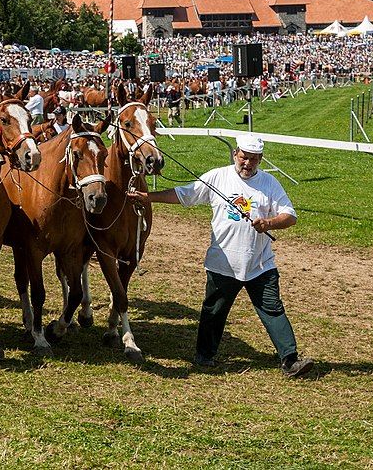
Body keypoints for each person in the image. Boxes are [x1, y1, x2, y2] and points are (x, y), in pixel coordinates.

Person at [127, 135, 314, 378]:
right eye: (244, 157)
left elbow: (290, 216)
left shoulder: (269, 183)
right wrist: (148, 197)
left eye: (254, 160)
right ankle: (204, 356)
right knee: (214, 311)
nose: (247, 163)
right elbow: (186, 194)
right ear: (236, 154)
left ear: (261, 159)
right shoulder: (218, 176)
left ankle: (290, 361)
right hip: (223, 263)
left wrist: (269, 223)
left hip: (260, 265)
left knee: (273, 309)